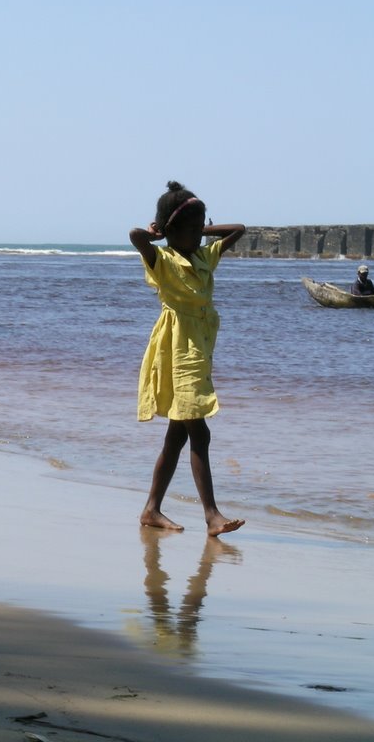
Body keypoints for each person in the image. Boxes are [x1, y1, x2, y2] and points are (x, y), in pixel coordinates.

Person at [129, 180, 246, 537]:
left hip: (201, 347)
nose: (198, 236)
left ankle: (151, 509)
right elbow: (135, 236)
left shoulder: (202, 255)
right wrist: (156, 232)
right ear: (171, 231)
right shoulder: (161, 259)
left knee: (177, 435)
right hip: (177, 349)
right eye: (191, 230)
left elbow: (239, 230)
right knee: (199, 429)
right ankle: (211, 515)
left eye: (201, 229)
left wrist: (202, 227)